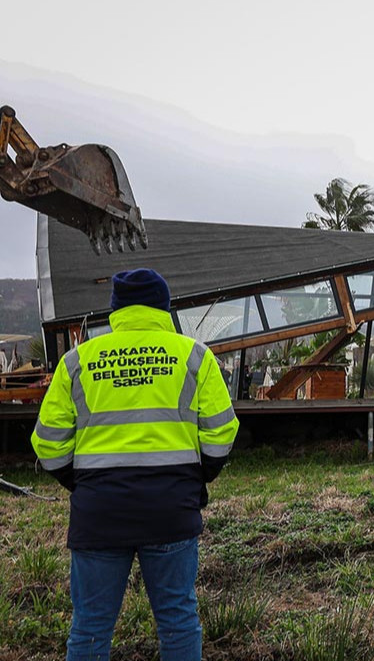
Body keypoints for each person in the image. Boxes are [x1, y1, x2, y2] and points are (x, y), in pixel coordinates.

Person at [30, 268, 239, 661]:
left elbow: (47, 442)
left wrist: (82, 482)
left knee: (90, 625)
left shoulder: (78, 361)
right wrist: (197, 477)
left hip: (99, 511)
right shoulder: (194, 355)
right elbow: (222, 432)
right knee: (178, 621)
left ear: (115, 310)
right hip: (172, 507)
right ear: (164, 307)